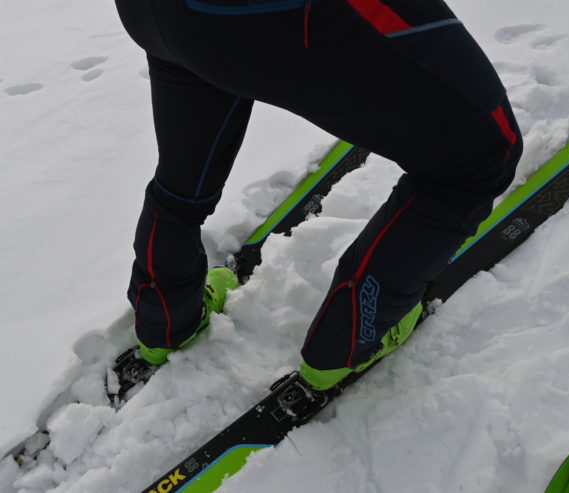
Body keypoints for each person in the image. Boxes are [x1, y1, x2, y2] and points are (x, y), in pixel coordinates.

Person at [114, 0, 522, 391]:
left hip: (155, 16)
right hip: (265, 15)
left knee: (185, 175)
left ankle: (165, 324)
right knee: (485, 152)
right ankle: (344, 346)